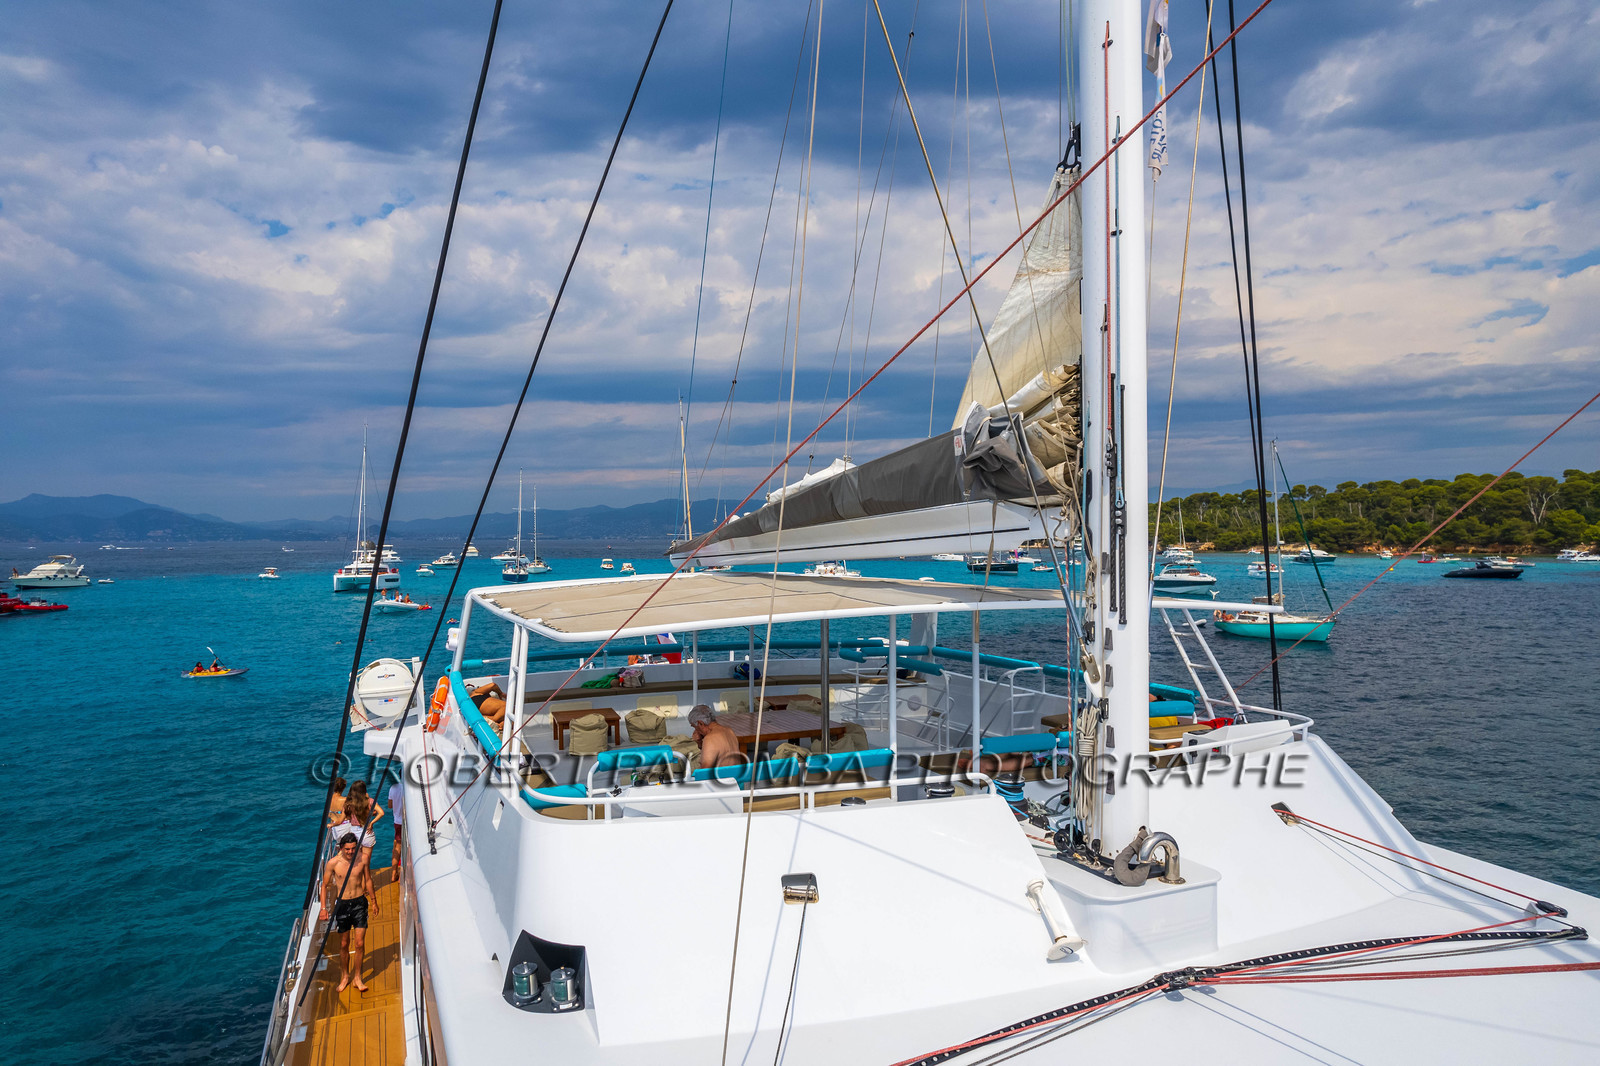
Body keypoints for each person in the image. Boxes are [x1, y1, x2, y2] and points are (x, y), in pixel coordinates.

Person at [320, 836, 378, 993]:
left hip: (360, 903)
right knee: (344, 944)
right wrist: (323, 908)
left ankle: (357, 977)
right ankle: (345, 976)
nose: (350, 852)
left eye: (353, 848)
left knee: (359, 943)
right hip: (343, 905)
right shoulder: (333, 863)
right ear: (340, 848)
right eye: (347, 849)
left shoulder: (363, 858)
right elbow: (324, 886)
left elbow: (367, 880)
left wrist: (373, 901)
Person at [688, 705, 740, 770]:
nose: (695, 731)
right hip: (735, 777)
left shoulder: (710, 739)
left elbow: (704, 772)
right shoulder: (729, 731)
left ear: (700, 723)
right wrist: (700, 743)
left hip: (722, 778)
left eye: (695, 727)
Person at [387, 777, 404, 866]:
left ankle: (394, 871)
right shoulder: (411, 788)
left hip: (397, 821)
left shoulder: (393, 788)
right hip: (407, 823)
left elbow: (390, 805)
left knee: (397, 844)